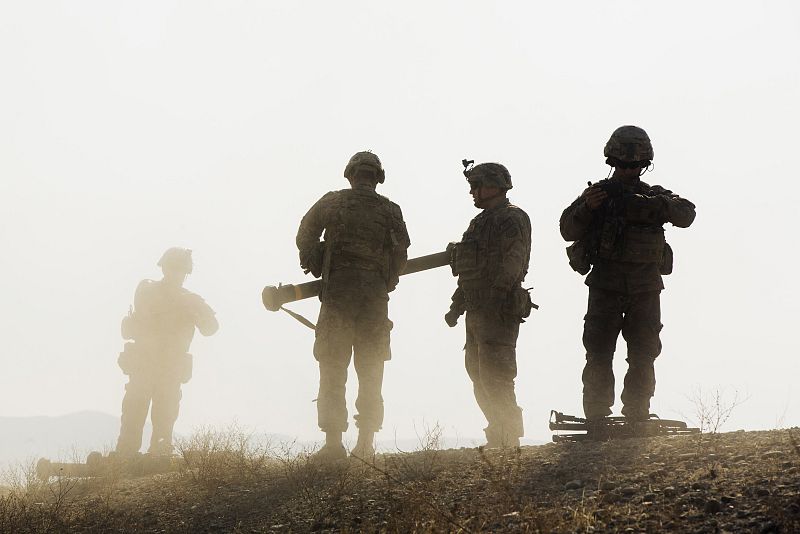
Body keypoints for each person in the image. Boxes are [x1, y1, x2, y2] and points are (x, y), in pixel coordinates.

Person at [560, 125, 696, 423]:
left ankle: (637, 412)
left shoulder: (656, 196)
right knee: (598, 351)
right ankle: (596, 414)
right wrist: (587, 207)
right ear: (612, 162)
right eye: (623, 164)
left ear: (644, 165)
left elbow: (686, 215)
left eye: (635, 165)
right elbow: (567, 229)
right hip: (605, 285)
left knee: (643, 353)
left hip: (645, 287)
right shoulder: (598, 195)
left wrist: (652, 206)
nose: (629, 170)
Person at [296, 151, 410, 461]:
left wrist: (314, 261)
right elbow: (402, 253)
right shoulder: (390, 210)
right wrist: (386, 281)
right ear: (377, 176)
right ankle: (365, 443)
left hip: (337, 300)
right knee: (370, 370)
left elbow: (306, 232)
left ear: (350, 174)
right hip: (374, 302)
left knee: (333, 368)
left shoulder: (333, 201)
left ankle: (334, 444)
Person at [445, 161, 533, 448]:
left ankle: (509, 437)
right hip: (476, 309)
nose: (472, 192)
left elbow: (515, 258)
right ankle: (498, 432)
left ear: (493, 186)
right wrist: (457, 306)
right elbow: (469, 268)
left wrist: (498, 293)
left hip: (498, 308)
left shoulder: (511, 218)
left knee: (498, 374)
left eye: (476, 186)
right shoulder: (479, 223)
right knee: (478, 374)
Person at [115, 247, 218, 455]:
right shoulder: (148, 289)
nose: (175, 274)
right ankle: (127, 454)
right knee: (134, 409)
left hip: (170, 367)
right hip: (145, 362)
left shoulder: (191, 300)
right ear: (164, 268)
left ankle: (159, 451)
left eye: (180, 270)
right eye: (172, 268)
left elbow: (211, 328)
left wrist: (196, 315)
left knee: (165, 412)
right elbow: (141, 314)